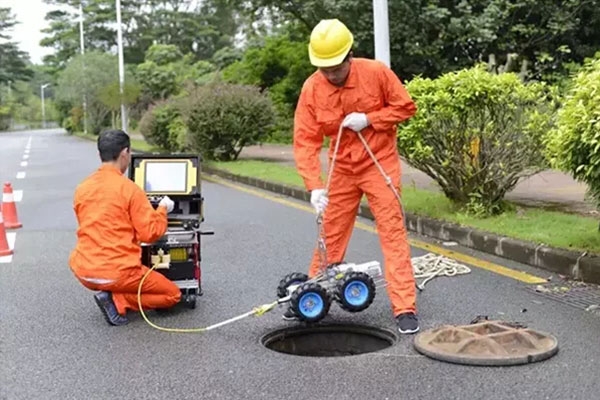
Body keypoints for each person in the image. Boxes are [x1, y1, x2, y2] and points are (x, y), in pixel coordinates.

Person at [290, 19, 420, 334]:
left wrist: (371, 119)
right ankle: (310, 298)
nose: (332, 74)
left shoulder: (376, 73)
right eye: (325, 69)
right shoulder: (312, 88)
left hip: (378, 163)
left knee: (392, 233)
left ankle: (404, 307)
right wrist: (314, 187)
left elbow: (405, 107)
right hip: (341, 169)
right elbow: (305, 140)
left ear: (350, 55)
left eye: (336, 66)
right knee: (330, 236)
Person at [69, 129, 181, 326]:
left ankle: (112, 293)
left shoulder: (82, 188)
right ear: (125, 153)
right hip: (118, 272)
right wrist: (162, 209)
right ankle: (119, 299)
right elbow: (150, 233)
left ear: (100, 154)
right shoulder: (129, 189)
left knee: (120, 273)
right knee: (172, 295)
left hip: (84, 270)